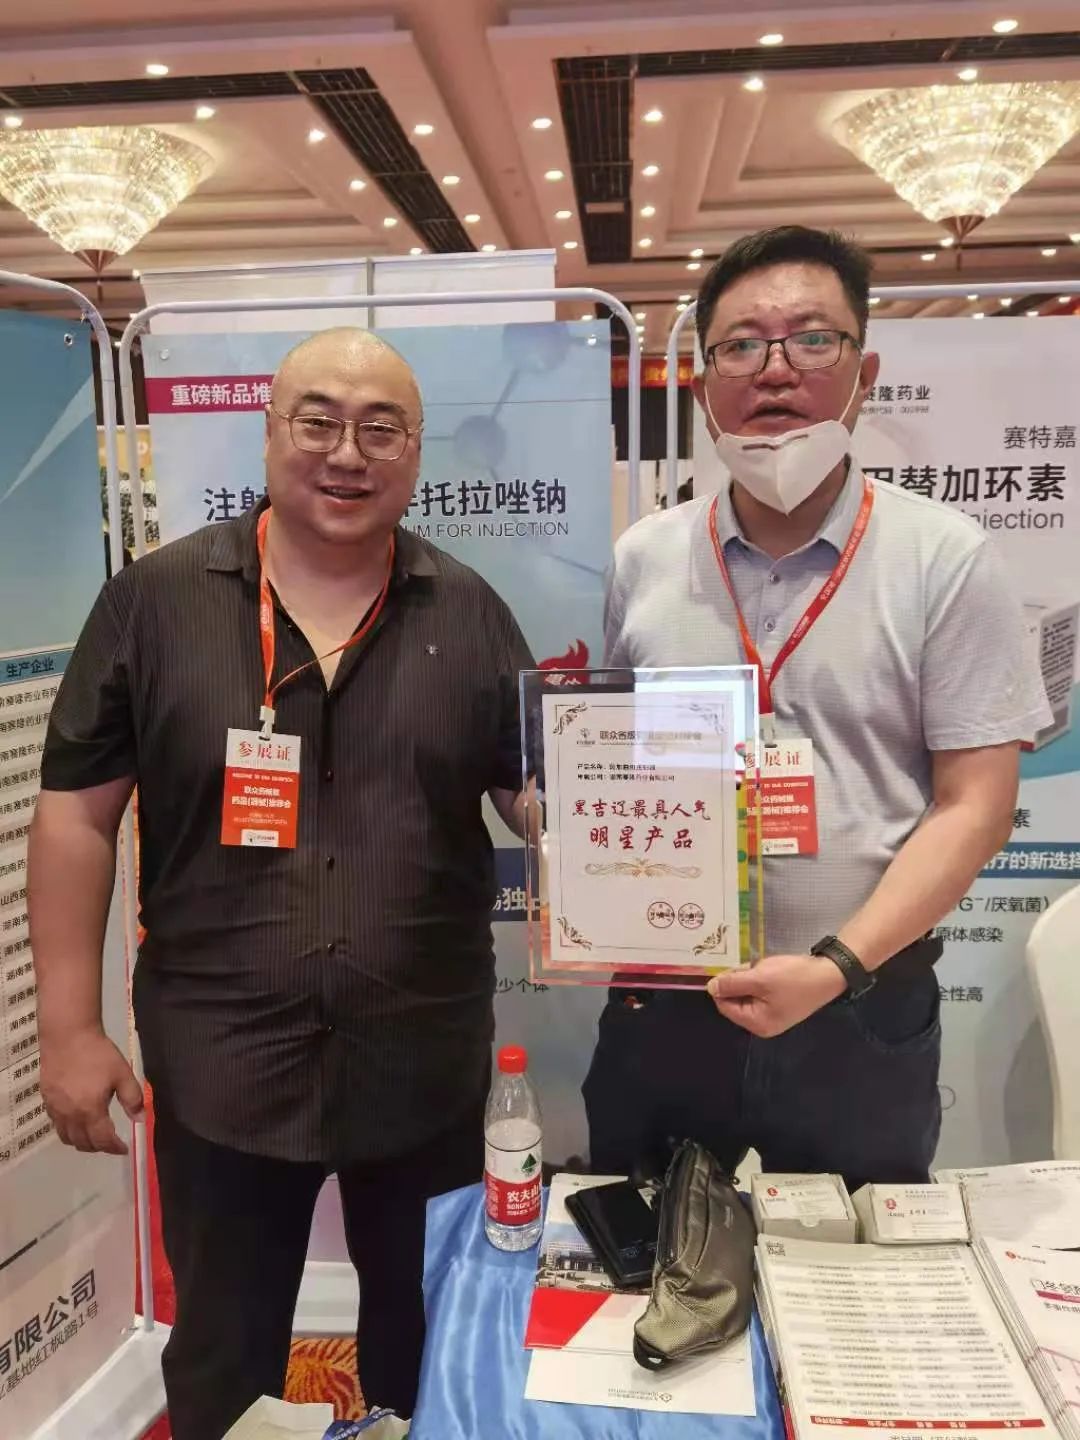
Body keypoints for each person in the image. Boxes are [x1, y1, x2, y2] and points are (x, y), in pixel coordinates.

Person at [29, 328, 533, 1440]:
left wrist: (634, 828)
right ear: (268, 435)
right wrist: (67, 1028)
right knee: (225, 1352)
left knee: (432, 1346)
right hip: (224, 1062)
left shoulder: (470, 613)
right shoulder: (153, 604)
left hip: (424, 1061)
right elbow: (75, 816)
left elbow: (529, 789)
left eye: (381, 429)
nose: (347, 453)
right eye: (319, 420)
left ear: (415, 454)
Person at [584, 226, 1049, 1190]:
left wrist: (837, 965)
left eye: (812, 339)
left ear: (863, 372)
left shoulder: (942, 558)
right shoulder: (646, 558)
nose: (776, 370)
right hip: (670, 1001)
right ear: (703, 383)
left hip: (859, 1001)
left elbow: (976, 803)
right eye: (741, 345)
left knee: (856, 1256)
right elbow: (621, 765)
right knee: (645, 1251)